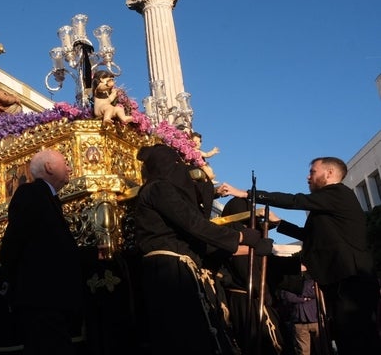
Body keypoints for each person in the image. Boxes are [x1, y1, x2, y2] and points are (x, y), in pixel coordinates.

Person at [219, 156, 381, 354]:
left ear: (329, 173)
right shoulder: (328, 205)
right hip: (339, 282)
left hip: (351, 279)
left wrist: (248, 194)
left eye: (313, 172)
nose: (308, 177)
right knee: (347, 338)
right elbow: (309, 236)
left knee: (359, 339)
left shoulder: (337, 193)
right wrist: (279, 223)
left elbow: (296, 200)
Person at [133, 144, 273, 354]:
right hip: (169, 271)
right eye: (176, 164)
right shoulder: (158, 188)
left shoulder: (162, 189)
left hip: (179, 267)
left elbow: (194, 225)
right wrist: (241, 236)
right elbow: (194, 224)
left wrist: (249, 244)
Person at [0, 149, 83, 354]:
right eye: (65, 162)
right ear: (49, 167)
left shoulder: (49, 198)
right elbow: (14, 239)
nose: (70, 167)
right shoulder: (31, 193)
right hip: (40, 296)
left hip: (50, 298)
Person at [214, 197, 284, 354]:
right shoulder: (237, 239)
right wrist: (265, 296)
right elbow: (247, 273)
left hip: (243, 301)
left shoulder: (228, 239)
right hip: (249, 302)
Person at [278, 269, 320, 355]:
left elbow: (317, 293)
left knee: (323, 349)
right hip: (299, 321)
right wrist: (305, 297)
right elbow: (288, 297)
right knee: (303, 352)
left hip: (316, 319)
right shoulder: (289, 279)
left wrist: (299, 294)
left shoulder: (314, 277)